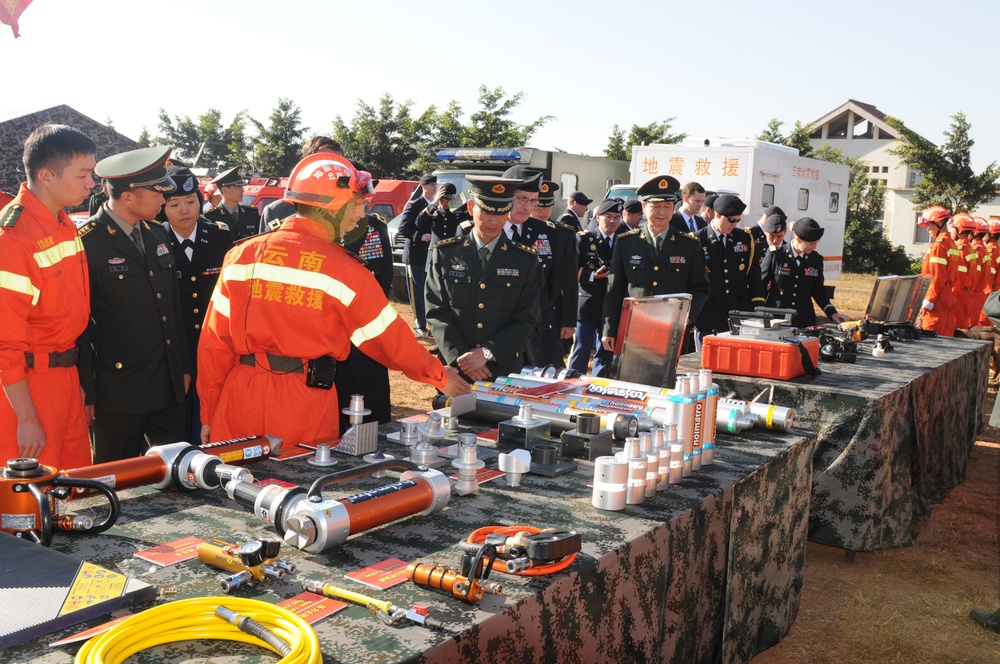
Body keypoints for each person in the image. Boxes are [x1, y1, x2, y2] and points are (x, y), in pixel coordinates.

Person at [197, 153, 469, 446]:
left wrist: (210, 414)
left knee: (236, 488)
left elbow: (214, 345)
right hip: (304, 404)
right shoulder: (347, 272)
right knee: (299, 486)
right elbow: (390, 341)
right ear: (331, 209)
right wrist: (440, 376)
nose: (359, 215)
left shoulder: (241, 257)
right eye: (355, 206)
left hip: (239, 400)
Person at [78, 146, 193, 462]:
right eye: (156, 192)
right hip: (118, 394)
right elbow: (79, 326)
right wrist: (85, 389)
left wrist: (183, 367)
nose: (162, 199)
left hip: (168, 386)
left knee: (175, 482)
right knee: (115, 485)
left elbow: (173, 307)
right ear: (127, 197)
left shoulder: (157, 234)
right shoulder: (87, 241)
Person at [0, 124, 96, 468]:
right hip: (25, 387)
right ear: (47, 175)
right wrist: (25, 417)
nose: (91, 183)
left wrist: (74, 382)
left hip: (64, 378)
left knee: (71, 491)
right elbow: (5, 343)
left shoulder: (63, 222)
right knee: (27, 505)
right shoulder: (12, 238)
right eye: (83, 174)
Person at [425, 176, 541, 382]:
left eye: (501, 213)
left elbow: (526, 318)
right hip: (455, 370)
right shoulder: (445, 253)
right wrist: (461, 357)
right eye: (487, 211)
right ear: (470, 207)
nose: (494, 221)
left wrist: (487, 352)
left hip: (501, 367)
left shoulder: (525, 260)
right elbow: (436, 311)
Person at [157, 165, 233, 444]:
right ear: (162, 208)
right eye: (174, 204)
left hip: (215, 342)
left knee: (212, 416)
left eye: (190, 202)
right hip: (176, 346)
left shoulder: (220, 236)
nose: (184, 210)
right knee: (177, 421)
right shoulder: (156, 238)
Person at [601, 175, 711, 356]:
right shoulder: (626, 243)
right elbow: (615, 290)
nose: (662, 212)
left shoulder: (689, 245)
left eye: (667, 206)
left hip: (673, 329)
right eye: (656, 206)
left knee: (670, 381)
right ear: (644, 207)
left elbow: (701, 287)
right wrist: (609, 329)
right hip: (634, 329)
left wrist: (687, 317)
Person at [334, 172, 396, 428]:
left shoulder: (376, 227)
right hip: (327, 341)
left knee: (374, 416)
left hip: (367, 336)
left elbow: (384, 279)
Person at [502, 165, 567, 367]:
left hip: (538, 332)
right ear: (506, 196)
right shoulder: (488, 228)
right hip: (498, 330)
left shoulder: (545, 231)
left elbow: (555, 283)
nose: (527, 206)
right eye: (521, 199)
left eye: (533, 201)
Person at [694, 195, 765, 341]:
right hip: (709, 312)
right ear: (717, 215)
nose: (734, 225)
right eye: (731, 220)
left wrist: (758, 307)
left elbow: (754, 276)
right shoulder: (697, 239)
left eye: (738, 220)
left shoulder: (745, 238)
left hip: (739, 310)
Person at [761, 217, 849, 328]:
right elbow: (760, 284)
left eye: (816, 243)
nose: (815, 246)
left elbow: (818, 290)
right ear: (798, 239)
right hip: (777, 317)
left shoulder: (815, 259)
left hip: (803, 319)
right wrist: (758, 312)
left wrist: (832, 313)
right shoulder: (776, 255)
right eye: (811, 243)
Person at [570, 198, 623, 376]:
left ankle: (598, 386)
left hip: (612, 305)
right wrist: (593, 275)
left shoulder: (623, 241)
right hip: (588, 303)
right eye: (608, 216)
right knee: (582, 347)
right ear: (598, 217)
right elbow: (572, 271)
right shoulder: (585, 239)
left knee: (605, 350)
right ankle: (572, 383)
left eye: (617, 217)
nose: (612, 221)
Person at [259, 136, 345, 233]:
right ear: (305, 165)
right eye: (322, 163)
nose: (330, 169)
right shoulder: (275, 211)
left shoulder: (355, 210)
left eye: (336, 164)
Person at [535, 180, 578, 359]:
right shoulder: (516, 230)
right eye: (539, 206)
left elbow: (569, 281)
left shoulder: (564, 234)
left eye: (548, 206)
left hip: (552, 311)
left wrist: (568, 321)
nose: (544, 211)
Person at [398, 173, 438, 337]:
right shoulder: (415, 204)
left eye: (436, 185)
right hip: (415, 254)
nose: (435, 188)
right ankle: (419, 325)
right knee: (417, 292)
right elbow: (403, 228)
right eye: (432, 185)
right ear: (424, 187)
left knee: (428, 292)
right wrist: (419, 236)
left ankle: (427, 324)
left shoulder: (436, 205)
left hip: (430, 254)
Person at [917, 206, 956, 337]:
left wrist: (929, 300)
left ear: (938, 223)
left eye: (929, 225)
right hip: (948, 295)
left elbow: (936, 277)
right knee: (946, 338)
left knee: (931, 339)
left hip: (937, 299)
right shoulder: (951, 244)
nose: (928, 229)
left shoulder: (938, 246)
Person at [204, 166, 259, 241]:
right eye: (238, 187)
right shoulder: (210, 217)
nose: (242, 190)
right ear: (225, 190)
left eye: (241, 186)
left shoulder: (251, 214)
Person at [949, 213, 978, 329]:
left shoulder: (960, 250)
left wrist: (951, 297)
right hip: (967, 295)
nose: (952, 232)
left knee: (957, 330)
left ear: (959, 230)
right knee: (964, 327)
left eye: (953, 229)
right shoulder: (970, 249)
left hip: (959, 296)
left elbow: (958, 279)